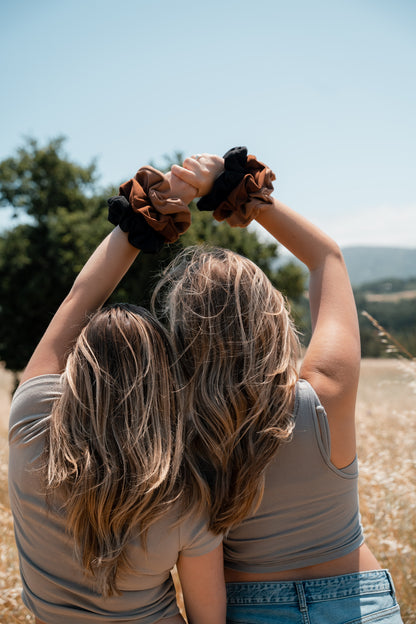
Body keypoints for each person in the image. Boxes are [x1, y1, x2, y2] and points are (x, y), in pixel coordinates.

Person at [153, 148, 403, 623]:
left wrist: (144, 219)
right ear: (272, 316)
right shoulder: (326, 394)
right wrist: (239, 191)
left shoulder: (178, 430)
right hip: (359, 603)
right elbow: (327, 258)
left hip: (249, 609)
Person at [8, 165, 226, 624]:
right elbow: (209, 618)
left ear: (78, 367)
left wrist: (145, 214)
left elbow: (78, 300)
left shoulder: (30, 429)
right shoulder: (186, 497)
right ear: (161, 384)